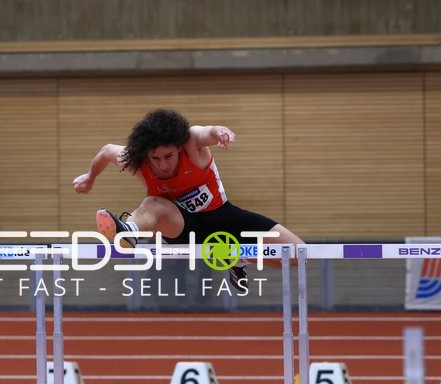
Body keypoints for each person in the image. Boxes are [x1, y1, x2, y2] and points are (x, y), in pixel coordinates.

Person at [72, 108, 303, 286]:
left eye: (169, 156)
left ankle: (237, 258)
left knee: (297, 255)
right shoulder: (136, 160)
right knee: (153, 204)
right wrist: (90, 177)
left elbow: (206, 131)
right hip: (182, 227)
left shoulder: (191, 143)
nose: (163, 164)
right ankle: (129, 232)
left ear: (179, 148)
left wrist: (219, 132)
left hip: (223, 216)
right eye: (156, 158)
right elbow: (106, 151)